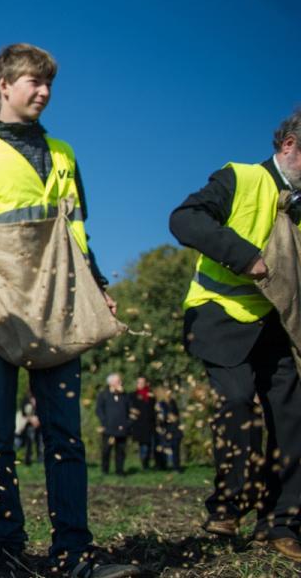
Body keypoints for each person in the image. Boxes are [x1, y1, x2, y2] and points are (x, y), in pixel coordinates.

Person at [0, 43, 137, 578]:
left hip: (59, 311)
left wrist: (97, 284)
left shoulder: (64, 154)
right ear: (4, 85)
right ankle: (7, 549)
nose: (43, 92)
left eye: (48, 85)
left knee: (65, 433)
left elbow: (77, 233)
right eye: (32, 82)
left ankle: (73, 551)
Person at [169, 109, 301, 561]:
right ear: (289, 146)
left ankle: (281, 523)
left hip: (278, 324)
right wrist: (243, 256)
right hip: (219, 314)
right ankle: (227, 508)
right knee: (238, 400)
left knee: (292, 415)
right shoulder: (240, 178)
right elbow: (184, 219)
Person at [95, 374, 132, 477]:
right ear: (111, 383)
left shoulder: (125, 395)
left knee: (121, 451)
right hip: (108, 428)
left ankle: (119, 471)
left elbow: (131, 410)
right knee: (106, 450)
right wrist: (104, 422)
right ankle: (105, 470)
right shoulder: (103, 395)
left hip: (122, 428)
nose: (120, 383)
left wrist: (128, 423)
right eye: (118, 381)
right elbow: (99, 410)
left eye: (120, 381)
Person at [153, 386, 183, 472]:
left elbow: (176, 417)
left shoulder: (173, 402)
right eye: (167, 391)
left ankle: (176, 467)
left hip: (174, 429)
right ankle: (162, 466)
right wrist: (166, 417)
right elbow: (160, 417)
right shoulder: (161, 404)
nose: (169, 393)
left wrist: (173, 419)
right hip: (165, 429)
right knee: (163, 448)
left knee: (175, 449)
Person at [130, 377, 157, 471]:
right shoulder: (133, 395)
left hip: (150, 425)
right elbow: (129, 407)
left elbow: (154, 409)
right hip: (140, 426)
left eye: (142, 382)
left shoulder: (150, 396)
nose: (140, 384)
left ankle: (147, 464)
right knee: (143, 446)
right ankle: (144, 465)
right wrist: (132, 411)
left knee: (150, 446)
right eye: (139, 382)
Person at [17, 394, 42, 465]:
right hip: (29, 426)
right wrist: (31, 419)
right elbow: (23, 412)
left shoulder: (41, 396)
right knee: (29, 442)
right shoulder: (26, 399)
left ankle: (40, 459)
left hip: (40, 424)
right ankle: (28, 460)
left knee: (40, 442)